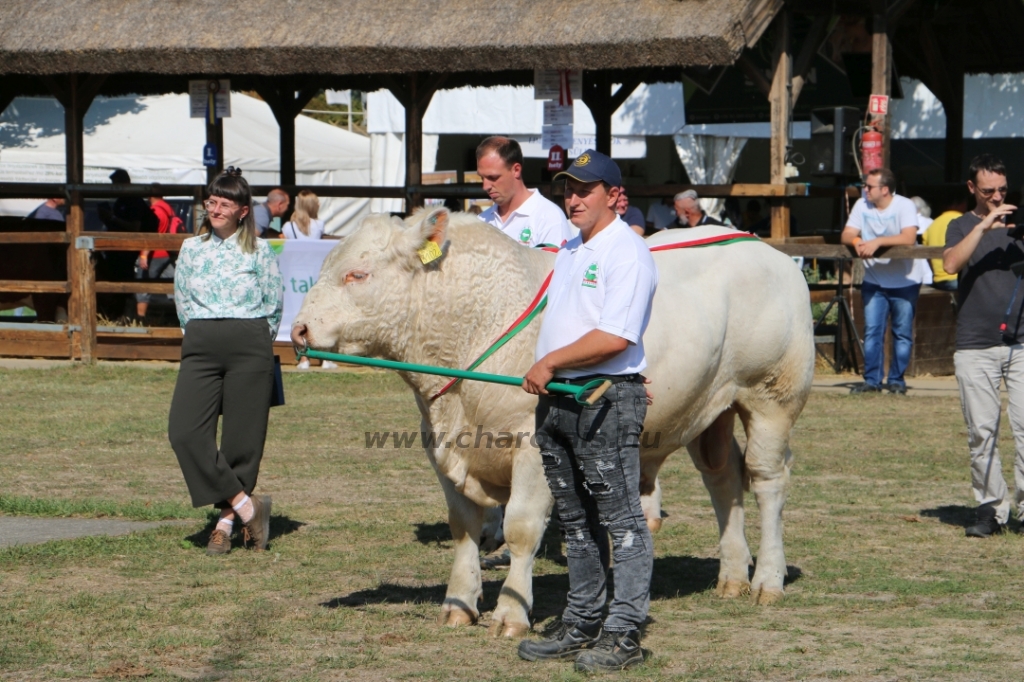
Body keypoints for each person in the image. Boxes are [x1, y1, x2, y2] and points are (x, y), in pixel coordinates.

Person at [517, 150, 658, 673]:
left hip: (601, 398)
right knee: (573, 520)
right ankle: (582, 620)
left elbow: (616, 335)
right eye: (567, 190)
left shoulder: (628, 252)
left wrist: (550, 361)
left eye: (585, 189)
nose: (572, 199)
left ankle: (624, 632)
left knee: (620, 519)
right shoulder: (573, 249)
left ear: (613, 195)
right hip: (560, 399)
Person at [168, 169, 284, 556]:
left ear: (243, 211)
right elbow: (182, 299)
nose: (216, 208)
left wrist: (253, 342)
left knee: (242, 441)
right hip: (201, 344)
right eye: (212, 201)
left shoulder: (261, 251)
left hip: (250, 344)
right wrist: (199, 336)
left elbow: (273, 305)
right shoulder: (191, 248)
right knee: (184, 432)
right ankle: (248, 506)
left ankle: (225, 524)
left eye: (225, 203)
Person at [943, 154, 1024, 538]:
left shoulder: (1020, 225)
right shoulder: (959, 225)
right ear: (972, 188)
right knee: (982, 431)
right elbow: (950, 264)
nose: (997, 197)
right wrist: (986, 226)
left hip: (1021, 343)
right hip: (975, 344)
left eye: (1003, 190)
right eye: (989, 191)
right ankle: (990, 509)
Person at [841, 168, 919, 395]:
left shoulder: (904, 205)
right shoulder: (861, 205)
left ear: (884, 190)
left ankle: (897, 380)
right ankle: (872, 381)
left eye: (869, 186)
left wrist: (878, 242)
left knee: (902, 333)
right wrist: (856, 241)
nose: (864, 190)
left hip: (905, 281)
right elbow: (846, 234)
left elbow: (909, 237)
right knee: (873, 332)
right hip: (874, 281)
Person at [476, 136, 575, 248]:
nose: (485, 186)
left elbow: (555, 264)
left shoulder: (548, 217)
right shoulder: (481, 221)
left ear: (516, 170)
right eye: (482, 178)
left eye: (493, 177)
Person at [136, 187, 184, 320]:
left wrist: (144, 255)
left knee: (142, 285)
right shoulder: (168, 208)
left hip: (155, 254)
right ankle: (181, 318)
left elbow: (152, 234)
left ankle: (140, 319)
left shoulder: (155, 211)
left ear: (149, 196)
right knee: (172, 284)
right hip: (168, 252)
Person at [923, 200, 965, 291]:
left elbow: (927, 256)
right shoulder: (963, 220)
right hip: (957, 278)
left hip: (939, 279)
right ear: (961, 204)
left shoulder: (932, 224)